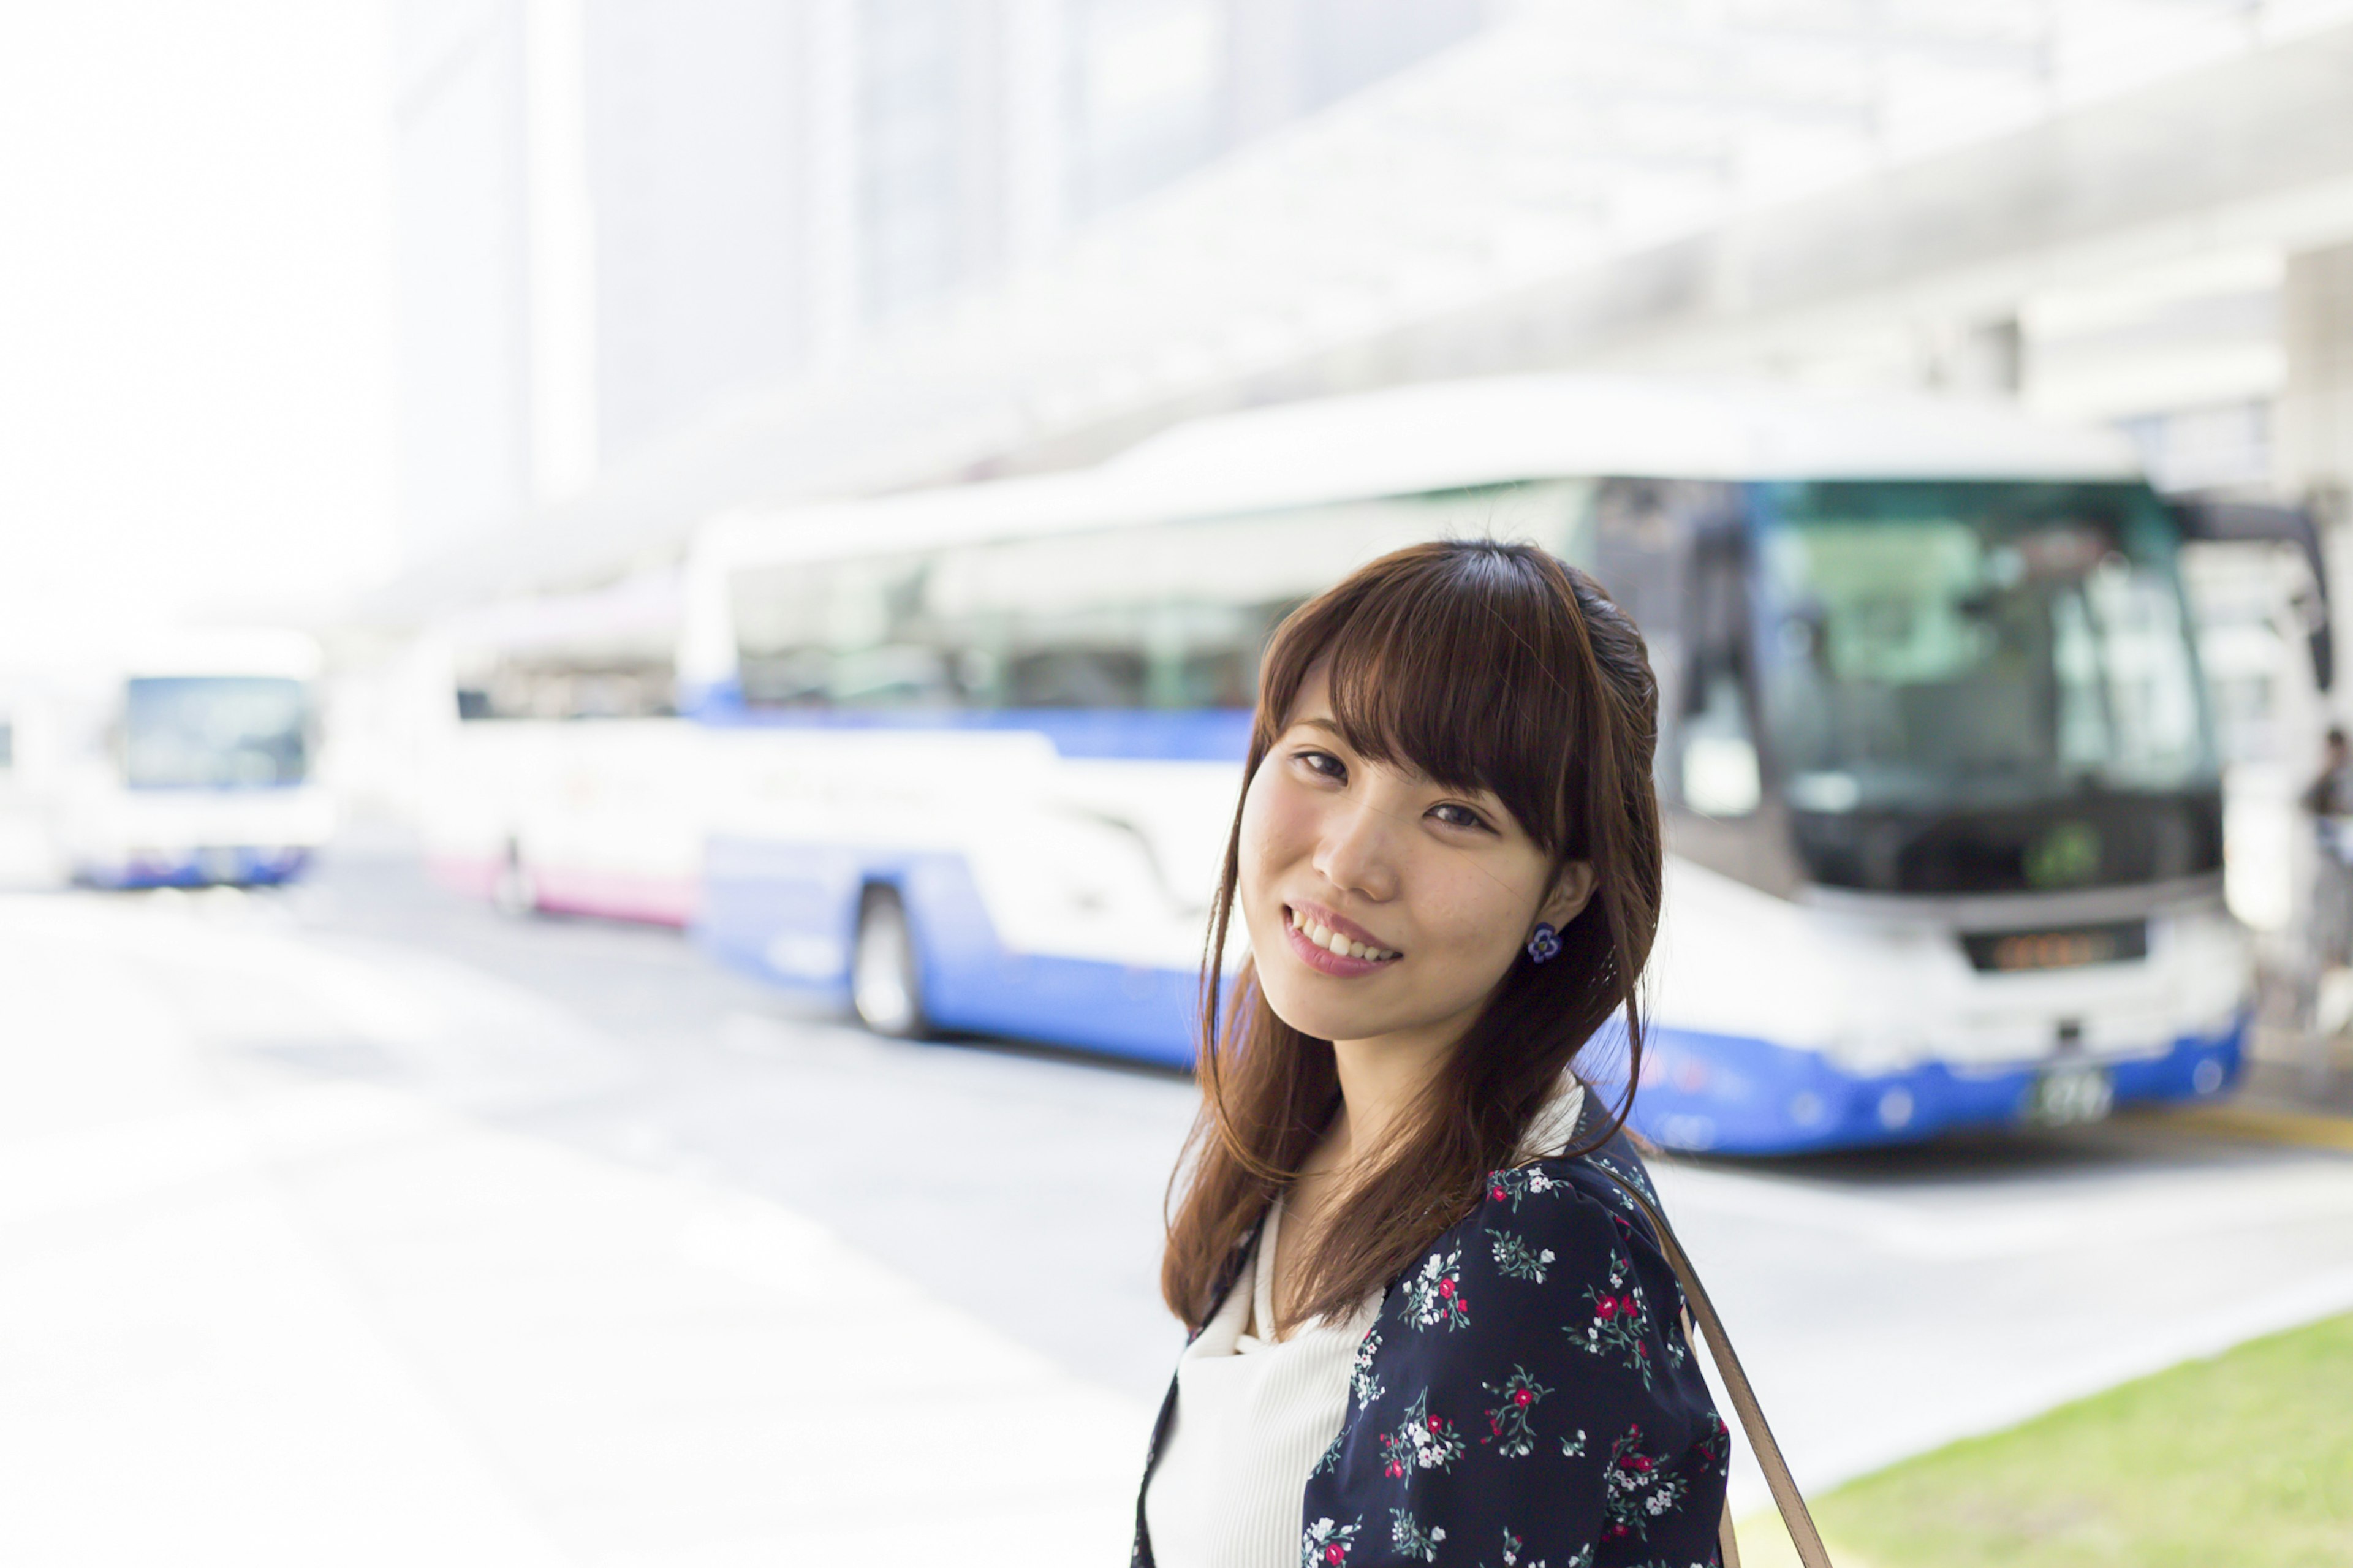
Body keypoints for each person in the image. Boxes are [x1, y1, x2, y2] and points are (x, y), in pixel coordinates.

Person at [1135, 541, 1730, 1568]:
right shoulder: (1301, 1139)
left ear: (1564, 891)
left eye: (1456, 814)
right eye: (1324, 762)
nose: (1348, 861)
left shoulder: (1531, 1251)